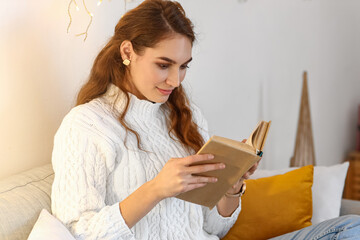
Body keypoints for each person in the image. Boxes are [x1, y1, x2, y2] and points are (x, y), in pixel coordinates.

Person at [51, 0, 360, 239]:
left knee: (349, 227)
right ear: (128, 52)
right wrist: (156, 189)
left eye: (184, 66)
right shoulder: (87, 126)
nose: (175, 80)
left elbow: (216, 227)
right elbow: (77, 232)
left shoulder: (185, 117)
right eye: (164, 65)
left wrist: (232, 185)